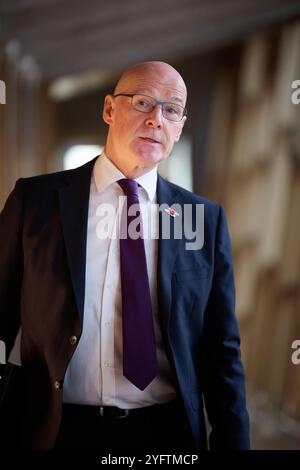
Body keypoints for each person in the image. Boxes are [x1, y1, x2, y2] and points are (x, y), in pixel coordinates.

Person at [0, 61, 250, 450]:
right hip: (56, 430)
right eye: (142, 102)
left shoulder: (203, 219)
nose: (156, 119)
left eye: (171, 110)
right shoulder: (35, 202)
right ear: (109, 110)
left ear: (180, 126)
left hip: (165, 435)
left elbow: (221, 351)